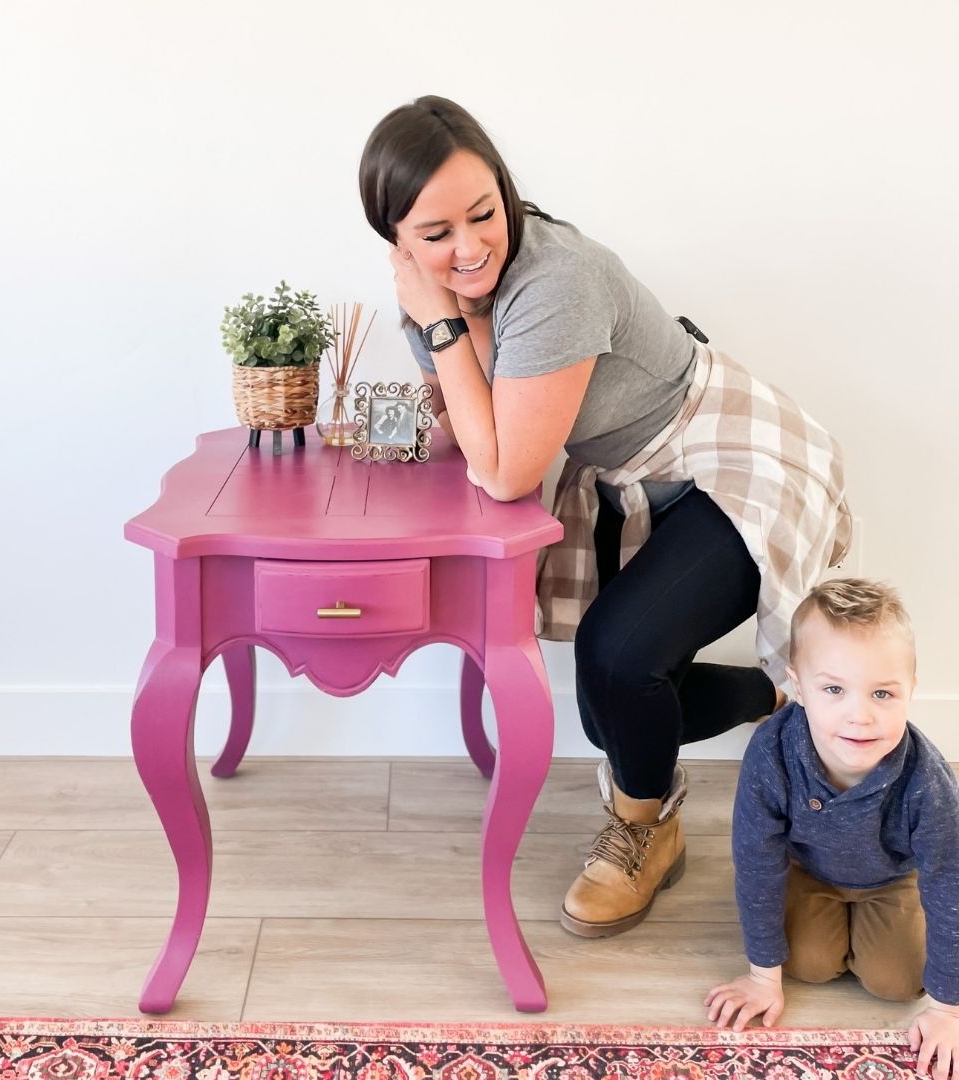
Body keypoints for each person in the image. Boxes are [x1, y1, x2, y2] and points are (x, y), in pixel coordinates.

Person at [359, 95, 851, 938]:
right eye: (435, 234)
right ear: (396, 242)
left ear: (508, 194)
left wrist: (442, 322)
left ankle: (646, 832)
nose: (470, 246)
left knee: (618, 657)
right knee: (609, 711)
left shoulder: (557, 281)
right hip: (633, 476)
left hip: (727, 453)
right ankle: (775, 696)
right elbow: (468, 412)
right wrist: (429, 372)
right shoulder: (430, 296)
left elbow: (509, 469)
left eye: (486, 213)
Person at [706, 579, 959, 1080]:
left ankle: (876, 932)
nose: (859, 716)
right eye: (833, 689)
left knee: (897, 981)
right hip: (810, 871)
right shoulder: (772, 752)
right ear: (798, 685)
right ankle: (824, 928)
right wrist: (762, 976)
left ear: (911, 687)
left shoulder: (927, 780)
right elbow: (757, 859)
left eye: (883, 693)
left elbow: (948, 882)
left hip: (891, 880)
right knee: (808, 964)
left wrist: (947, 1010)